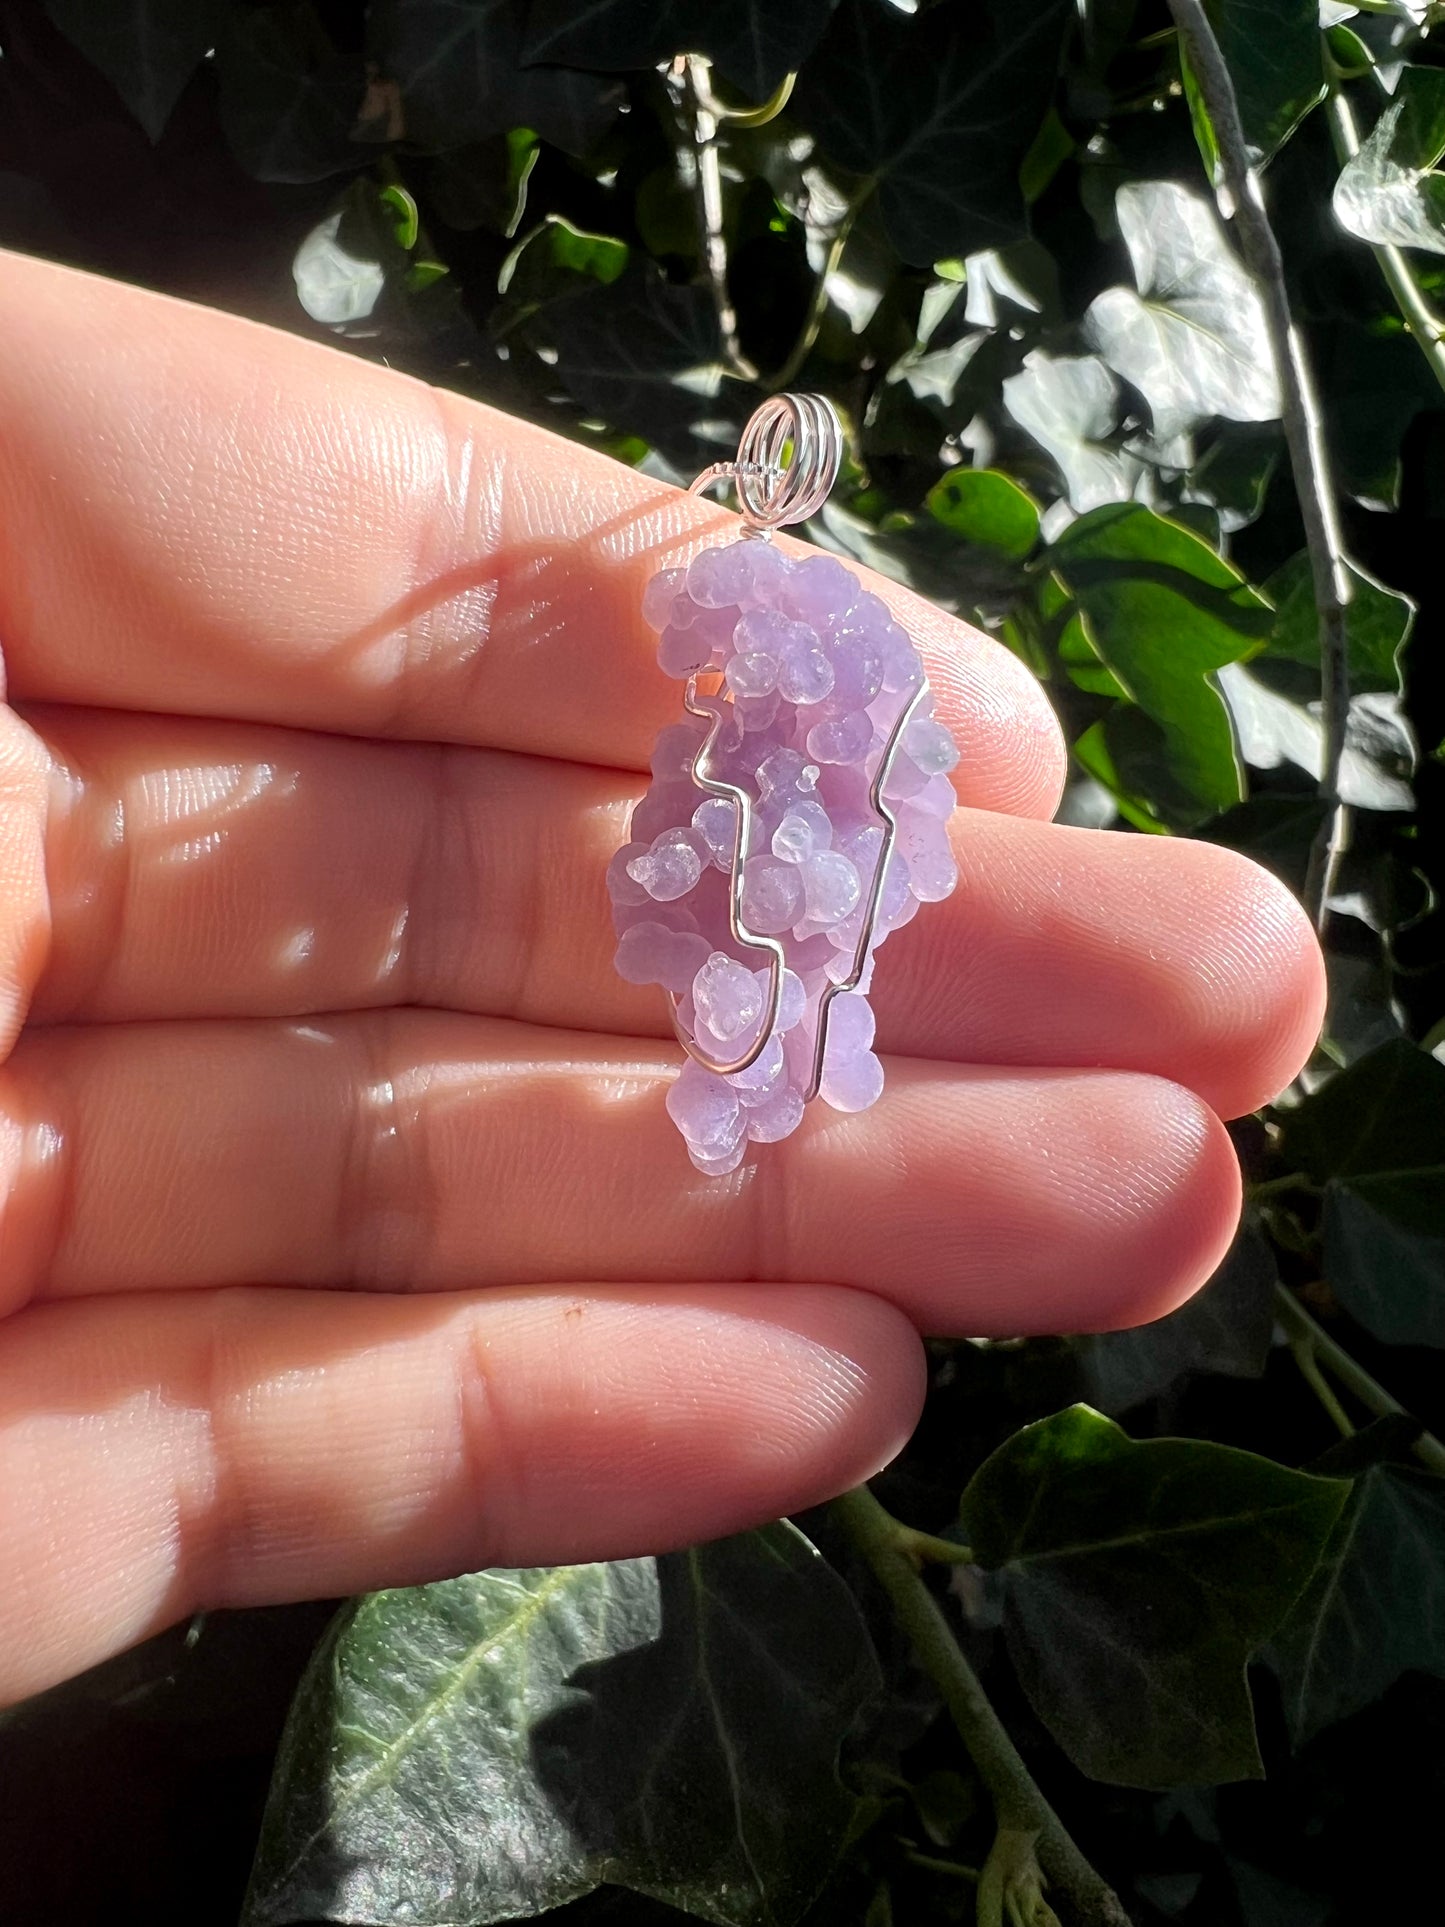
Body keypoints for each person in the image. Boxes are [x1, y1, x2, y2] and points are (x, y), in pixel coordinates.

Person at [0, 249, 1324, 1707]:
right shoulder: (741, 705)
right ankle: (764, 1050)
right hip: (733, 881)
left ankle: (776, 1050)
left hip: (794, 889)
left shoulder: (840, 669)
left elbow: (886, 806)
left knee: (783, 965)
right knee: (734, 948)